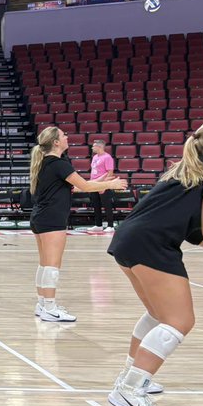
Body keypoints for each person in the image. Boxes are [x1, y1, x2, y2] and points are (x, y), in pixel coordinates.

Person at [105, 118, 203, 406]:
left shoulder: (189, 168)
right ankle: (130, 390)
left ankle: (130, 376)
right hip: (150, 244)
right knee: (180, 320)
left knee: (159, 315)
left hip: (129, 240)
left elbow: (193, 229)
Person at [28, 126, 127, 323]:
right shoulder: (58, 163)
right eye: (63, 135)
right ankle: (50, 308)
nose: (67, 137)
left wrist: (101, 181)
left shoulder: (47, 162)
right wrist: (111, 184)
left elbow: (75, 186)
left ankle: (42, 304)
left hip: (40, 217)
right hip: (52, 218)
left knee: (44, 264)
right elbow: (85, 186)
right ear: (56, 142)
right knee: (52, 265)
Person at [88, 139, 117, 230]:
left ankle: (110, 225)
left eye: (94, 146)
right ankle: (98, 225)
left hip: (103, 185)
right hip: (94, 184)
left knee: (107, 205)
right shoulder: (95, 157)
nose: (92, 147)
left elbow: (110, 173)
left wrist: (104, 185)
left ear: (99, 147)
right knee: (96, 205)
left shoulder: (107, 157)